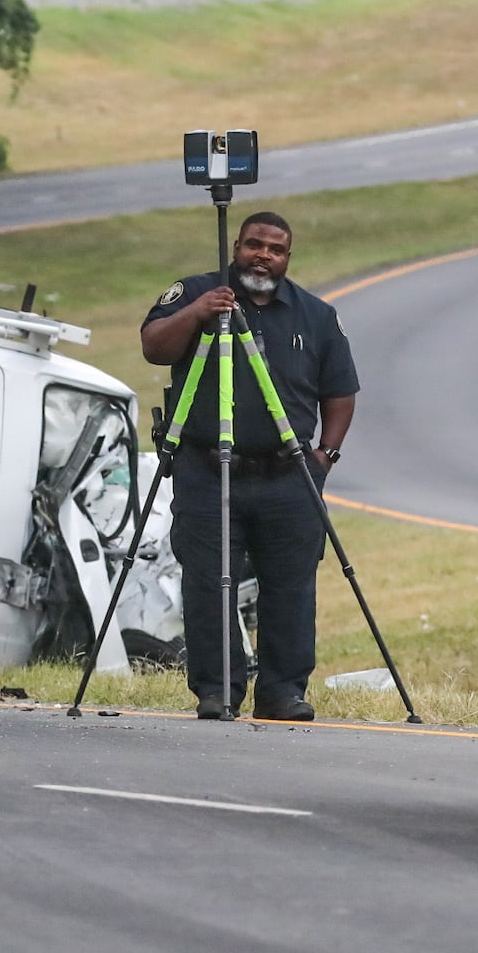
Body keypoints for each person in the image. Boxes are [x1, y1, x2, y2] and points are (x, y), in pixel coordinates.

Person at [141, 212, 357, 722]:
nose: (263, 255)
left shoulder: (316, 315)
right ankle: (218, 691)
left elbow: (341, 391)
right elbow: (154, 347)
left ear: (287, 257)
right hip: (208, 470)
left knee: (292, 585)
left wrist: (326, 455)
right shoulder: (197, 292)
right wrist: (198, 312)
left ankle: (282, 692)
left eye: (275, 249)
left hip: (289, 474)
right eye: (254, 245)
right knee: (208, 583)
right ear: (235, 246)